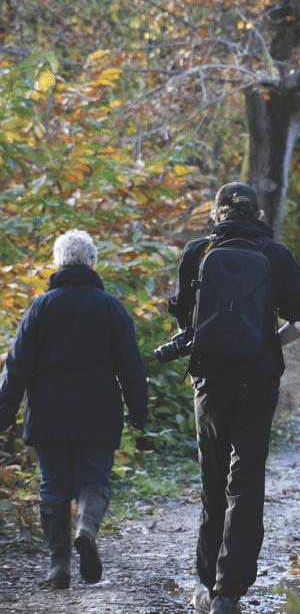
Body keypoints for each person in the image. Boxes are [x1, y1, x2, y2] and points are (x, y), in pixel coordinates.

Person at [167, 181, 300, 614]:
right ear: (257, 211)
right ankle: (230, 593)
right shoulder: (278, 255)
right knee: (245, 483)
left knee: (213, 483)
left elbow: (183, 324)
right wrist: (268, 344)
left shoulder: (197, 252)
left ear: (217, 213)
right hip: (258, 380)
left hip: (210, 381)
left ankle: (205, 585)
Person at [0, 230, 148, 589]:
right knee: (94, 478)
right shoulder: (111, 307)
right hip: (98, 409)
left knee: (52, 484)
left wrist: (3, 416)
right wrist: (138, 414)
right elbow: (132, 367)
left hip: (49, 408)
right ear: (93, 263)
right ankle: (86, 527)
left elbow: (17, 368)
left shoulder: (41, 307)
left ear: (57, 263)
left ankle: (58, 567)